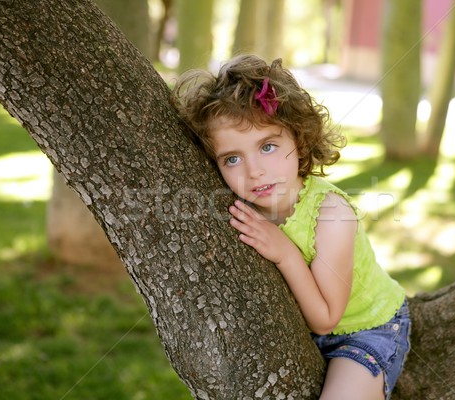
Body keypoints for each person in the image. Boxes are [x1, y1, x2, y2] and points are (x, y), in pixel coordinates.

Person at [171, 54, 411, 400]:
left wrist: (284, 252)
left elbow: (327, 318)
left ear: (298, 141)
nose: (254, 171)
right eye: (232, 159)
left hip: (367, 329)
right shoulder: (241, 205)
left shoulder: (331, 216)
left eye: (267, 147)